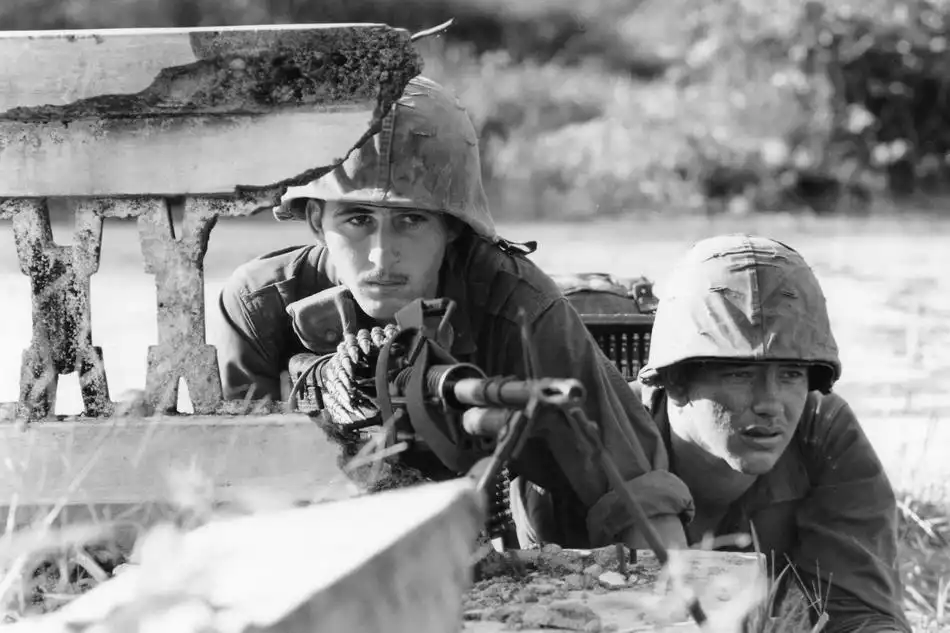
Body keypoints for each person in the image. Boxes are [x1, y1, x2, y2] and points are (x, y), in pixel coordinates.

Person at [215, 75, 694, 551]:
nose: (382, 256)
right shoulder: (261, 308)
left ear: (452, 228)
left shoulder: (515, 303)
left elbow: (635, 490)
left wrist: (674, 582)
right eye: (358, 219)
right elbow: (225, 491)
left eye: (411, 220)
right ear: (317, 220)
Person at [634, 235, 908, 631]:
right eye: (740, 374)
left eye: (791, 374)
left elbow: (861, 614)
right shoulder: (603, 435)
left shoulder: (822, 429)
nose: (770, 403)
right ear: (676, 380)